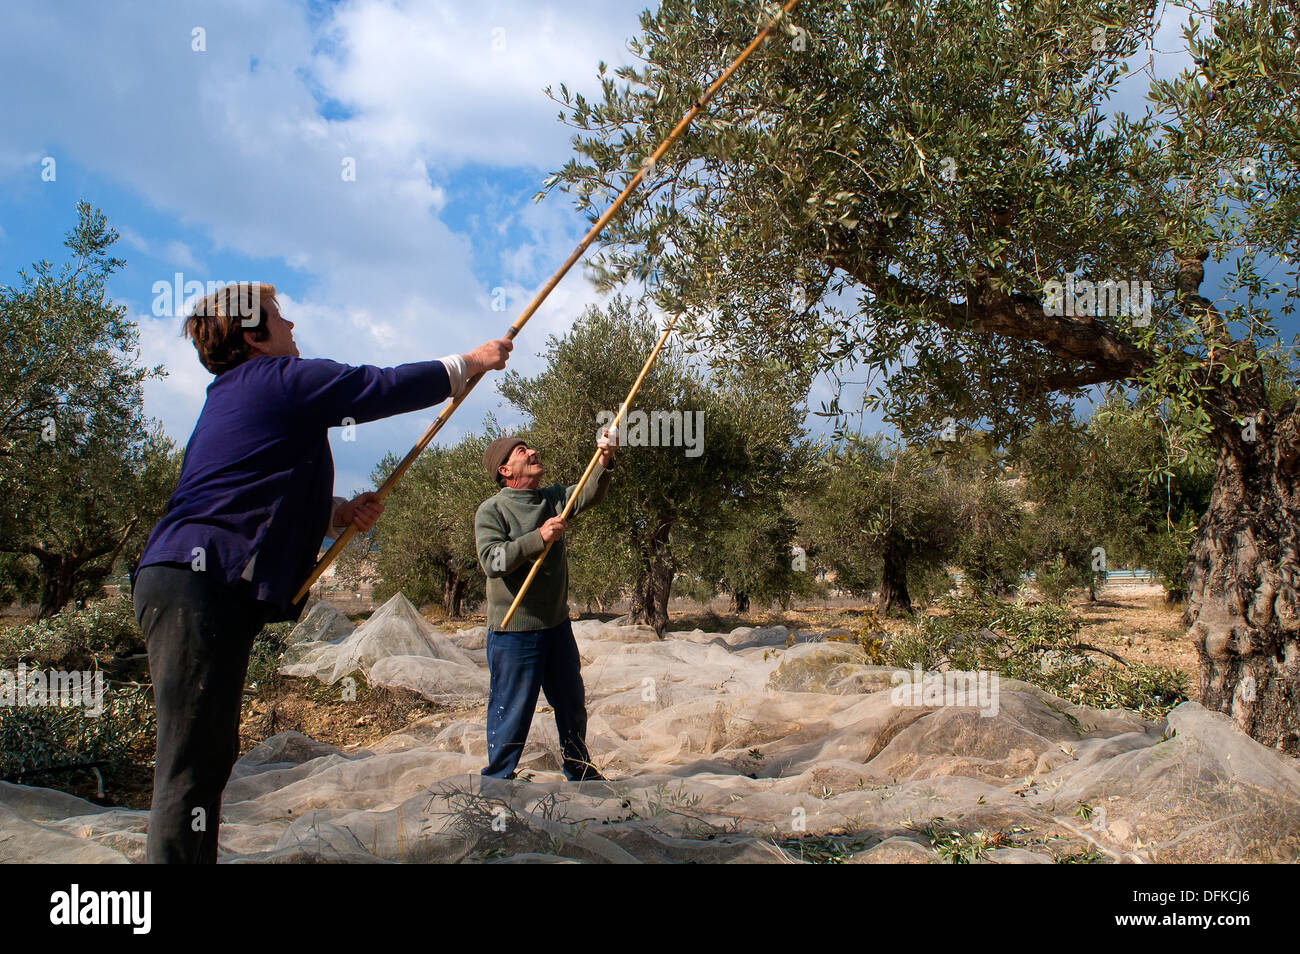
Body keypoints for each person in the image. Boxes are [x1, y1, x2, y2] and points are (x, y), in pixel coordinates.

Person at [132, 282, 512, 863]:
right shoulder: (277, 380)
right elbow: (374, 386)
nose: (291, 329)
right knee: (189, 767)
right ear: (253, 336)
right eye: (279, 320)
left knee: (206, 759)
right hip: (194, 584)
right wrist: (469, 363)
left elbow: (255, 489)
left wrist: (335, 515)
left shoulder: (242, 393)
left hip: (194, 583)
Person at [474, 431, 617, 781]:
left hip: (556, 626)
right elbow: (492, 561)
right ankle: (497, 786)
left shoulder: (552, 499)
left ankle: (581, 774)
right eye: (523, 451)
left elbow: (587, 493)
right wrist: (537, 539)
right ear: (506, 470)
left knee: (571, 705)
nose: (534, 451)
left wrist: (605, 458)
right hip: (514, 633)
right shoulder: (492, 511)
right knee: (512, 713)